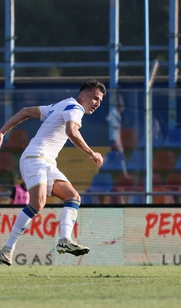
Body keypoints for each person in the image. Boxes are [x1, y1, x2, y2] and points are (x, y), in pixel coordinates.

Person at [0, 79, 106, 266]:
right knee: (37, 203)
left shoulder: (61, 104)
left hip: (46, 161)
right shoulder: (75, 108)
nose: (97, 103)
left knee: (73, 197)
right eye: (95, 98)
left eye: (100, 101)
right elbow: (72, 131)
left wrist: (2, 132)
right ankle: (7, 249)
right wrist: (91, 153)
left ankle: (64, 240)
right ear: (83, 95)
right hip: (35, 158)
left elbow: (25, 111)